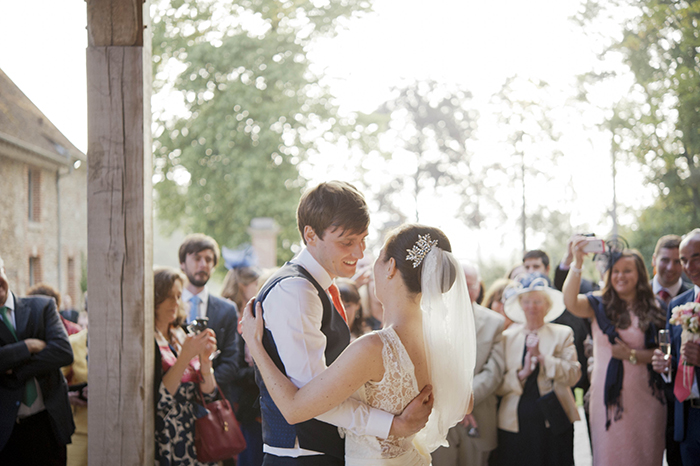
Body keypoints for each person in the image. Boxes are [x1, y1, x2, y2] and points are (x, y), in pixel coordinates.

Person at [239, 181, 441, 465]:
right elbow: (310, 401)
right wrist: (393, 426)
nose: (359, 254)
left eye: (364, 240)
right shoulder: (296, 292)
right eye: (347, 242)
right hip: (303, 456)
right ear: (310, 235)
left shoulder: (320, 288)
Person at [563, 239, 666, 466]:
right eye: (615, 271)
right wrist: (577, 261)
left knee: (646, 456)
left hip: (648, 398)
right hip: (608, 401)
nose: (620, 276)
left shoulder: (657, 307)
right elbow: (569, 302)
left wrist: (633, 355)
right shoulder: (597, 304)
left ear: (639, 273)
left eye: (627, 271)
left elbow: (665, 353)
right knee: (610, 457)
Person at [496, 273, 580, 466]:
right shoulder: (507, 337)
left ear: (548, 305)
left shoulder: (563, 333)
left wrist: (543, 358)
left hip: (554, 418)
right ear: (520, 305)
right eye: (527, 302)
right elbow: (498, 384)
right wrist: (522, 373)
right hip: (515, 421)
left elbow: (573, 375)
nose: (532, 307)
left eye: (538, 301)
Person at [0, 255, 75, 465]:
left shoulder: (41, 308)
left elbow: (62, 352)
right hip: (7, 434)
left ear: (4, 270)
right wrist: (28, 346)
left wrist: (15, 371)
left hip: (49, 426)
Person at [432, 261, 504, 466]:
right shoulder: (430, 318)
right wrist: (452, 402)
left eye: (470, 284)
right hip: (440, 418)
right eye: (458, 283)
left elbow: (494, 371)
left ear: (479, 286)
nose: (464, 289)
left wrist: (464, 401)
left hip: (478, 417)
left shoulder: (494, 322)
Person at [178, 233, 241, 466]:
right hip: (175, 407)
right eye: (196, 258)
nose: (203, 264)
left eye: (209, 259)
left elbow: (232, 361)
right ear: (183, 263)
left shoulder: (226, 310)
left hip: (213, 407)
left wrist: (204, 389)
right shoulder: (167, 307)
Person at [153, 266, 219, 465]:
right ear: (153, 298)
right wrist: (185, 358)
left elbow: (209, 393)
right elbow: (160, 400)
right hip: (168, 437)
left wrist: (206, 361)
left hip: (196, 433)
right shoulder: (147, 341)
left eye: (178, 296)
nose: (175, 303)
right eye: (168, 296)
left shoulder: (180, 334)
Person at [652, 229, 700, 466]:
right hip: (687, 419)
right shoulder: (679, 304)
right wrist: (664, 366)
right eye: (685, 259)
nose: (690, 265)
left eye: (696, 257)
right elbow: (676, 359)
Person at [649, 234, 688, 466]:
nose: (671, 267)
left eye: (677, 261)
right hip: (642, 393)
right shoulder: (634, 293)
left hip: (681, 401)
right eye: (665, 260)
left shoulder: (695, 295)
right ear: (654, 260)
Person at [221, 265, 264, 466]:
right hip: (238, 399)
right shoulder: (229, 314)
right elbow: (234, 365)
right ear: (242, 285)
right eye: (255, 283)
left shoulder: (254, 312)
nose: (258, 287)